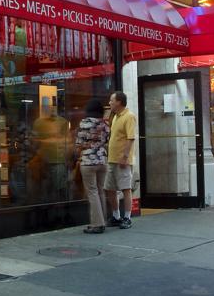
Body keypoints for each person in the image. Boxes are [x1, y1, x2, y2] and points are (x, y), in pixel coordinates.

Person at [75, 99, 110, 233]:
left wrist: (82, 149)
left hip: (88, 161)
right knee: (100, 190)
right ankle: (103, 221)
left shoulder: (84, 123)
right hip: (102, 160)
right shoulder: (105, 124)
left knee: (92, 192)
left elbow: (79, 143)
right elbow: (107, 140)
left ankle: (97, 224)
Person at [105, 91, 137, 229]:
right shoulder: (116, 117)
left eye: (112, 100)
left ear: (119, 102)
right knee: (109, 188)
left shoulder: (129, 116)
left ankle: (127, 217)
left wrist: (124, 156)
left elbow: (130, 138)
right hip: (111, 159)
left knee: (125, 188)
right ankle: (116, 216)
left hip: (123, 160)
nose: (110, 103)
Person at [32, 101, 70, 203]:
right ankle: (46, 210)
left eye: (53, 107)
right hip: (42, 161)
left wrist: (66, 158)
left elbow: (67, 141)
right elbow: (34, 142)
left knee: (60, 188)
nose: (51, 109)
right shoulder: (38, 123)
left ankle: (62, 210)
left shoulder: (63, 122)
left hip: (58, 161)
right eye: (47, 107)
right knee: (44, 189)